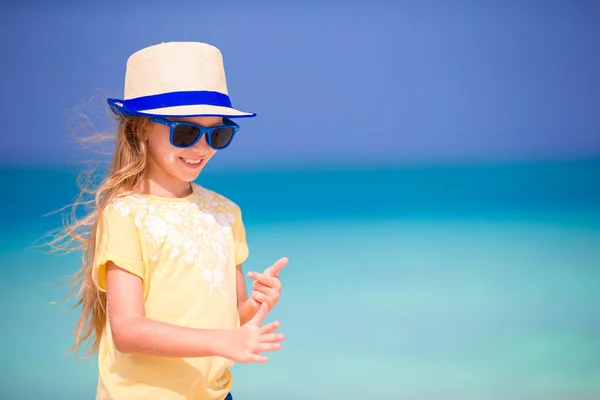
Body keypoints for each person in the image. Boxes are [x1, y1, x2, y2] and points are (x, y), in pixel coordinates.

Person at [53, 41, 288, 400]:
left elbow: (233, 317)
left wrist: (257, 302)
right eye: (185, 132)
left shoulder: (226, 213)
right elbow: (128, 331)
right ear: (142, 128)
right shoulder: (125, 215)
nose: (202, 147)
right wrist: (221, 341)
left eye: (218, 133)